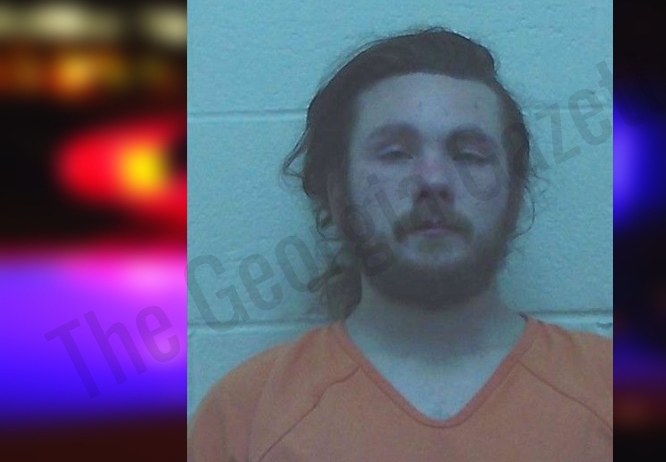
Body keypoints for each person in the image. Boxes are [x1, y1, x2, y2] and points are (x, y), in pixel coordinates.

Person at [188, 27, 612, 461]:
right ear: (335, 191)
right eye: (394, 154)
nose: (434, 180)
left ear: (515, 191)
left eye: (469, 155)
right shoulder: (244, 418)